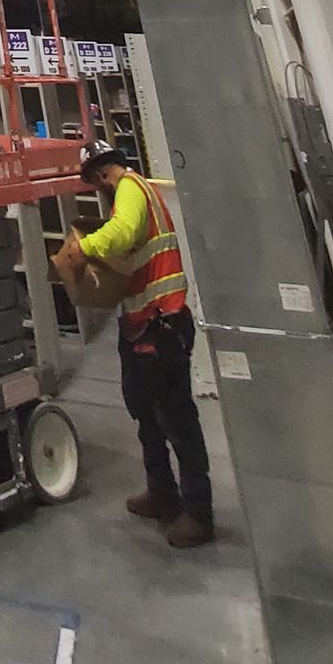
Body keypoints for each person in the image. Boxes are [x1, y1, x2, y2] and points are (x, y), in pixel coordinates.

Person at [70, 137, 213, 548]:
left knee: (177, 419)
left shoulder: (131, 189)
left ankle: (198, 513)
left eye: (94, 182)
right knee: (145, 414)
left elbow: (121, 234)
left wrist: (85, 248)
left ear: (101, 174)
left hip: (161, 323)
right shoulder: (128, 194)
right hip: (138, 323)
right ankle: (163, 493)